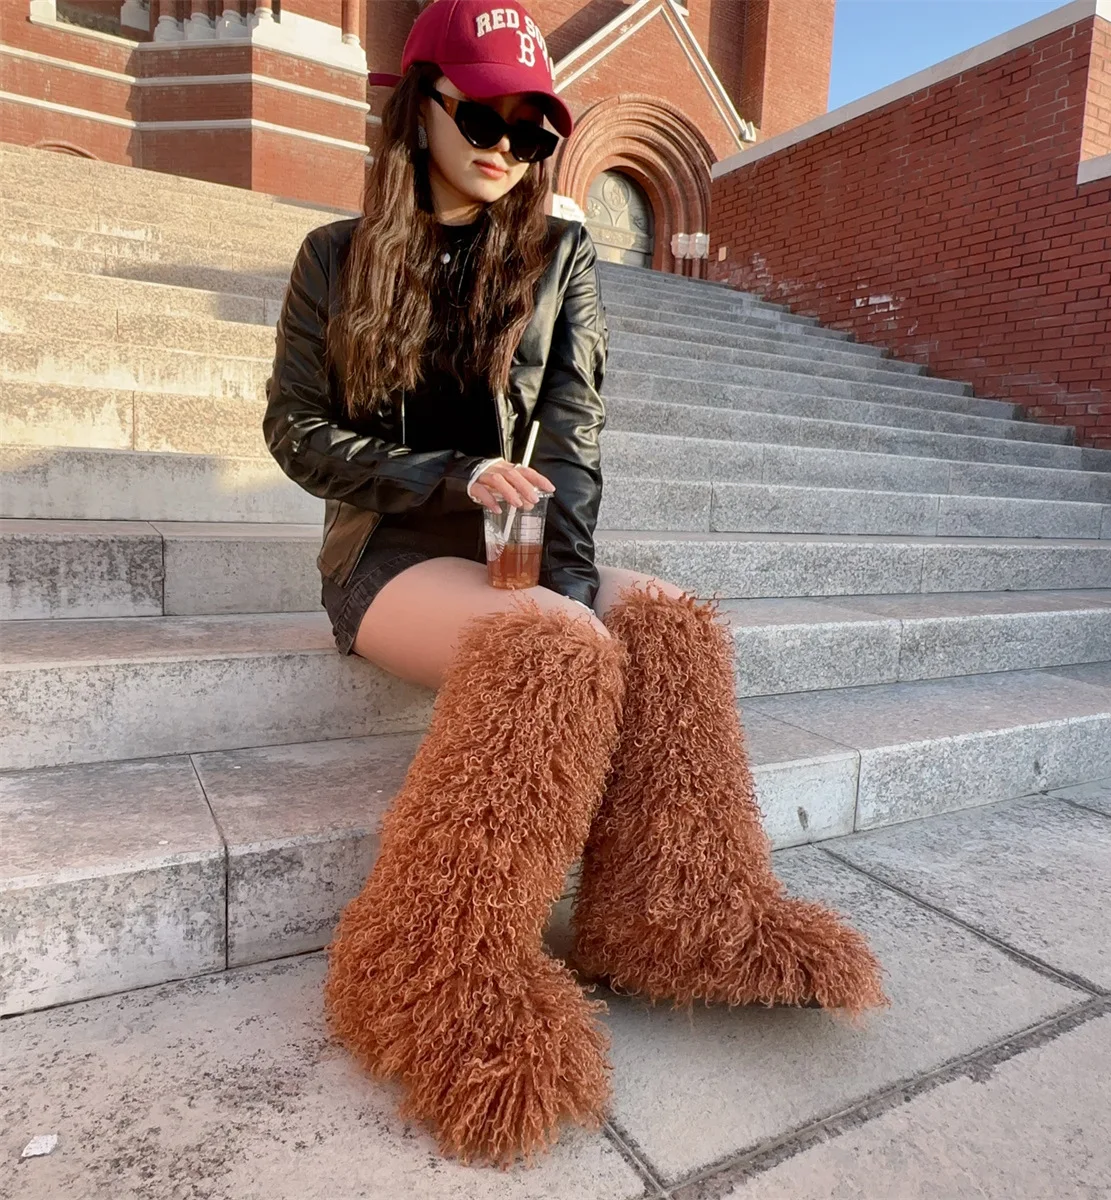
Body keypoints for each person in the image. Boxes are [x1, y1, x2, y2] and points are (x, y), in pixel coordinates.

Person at [262, 0, 886, 1173]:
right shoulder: (334, 258)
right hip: (389, 551)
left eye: (533, 126)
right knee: (551, 651)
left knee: (663, 625)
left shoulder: (557, 256)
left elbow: (573, 430)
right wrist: (445, 473)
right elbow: (295, 431)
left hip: (514, 542)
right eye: (483, 115)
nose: (507, 144)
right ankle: (432, 969)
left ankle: (676, 918)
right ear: (421, 106)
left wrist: (562, 576)